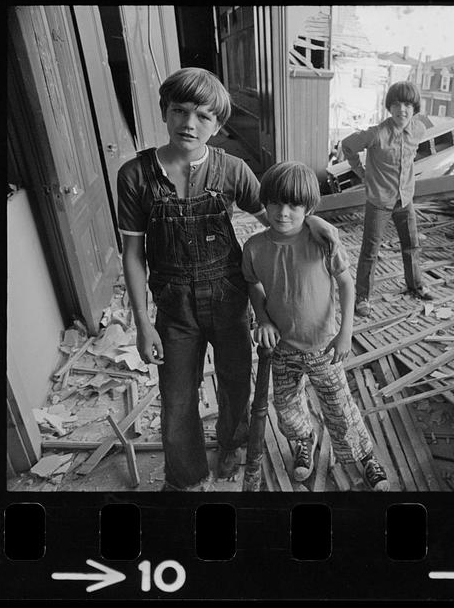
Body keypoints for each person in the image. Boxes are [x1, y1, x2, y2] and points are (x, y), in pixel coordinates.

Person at [117, 67, 339, 491]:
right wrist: (144, 325)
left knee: (236, 381)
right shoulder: (134, 176)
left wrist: (315, 224)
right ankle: (185, 476)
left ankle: (233, 444)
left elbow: (279, 218)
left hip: (229, 295)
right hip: (174, 305)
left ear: (217, 125)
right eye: (180, 111)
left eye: (203, 116)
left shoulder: (233, 170)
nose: (189, 123)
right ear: (164, 112)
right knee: (177, 395)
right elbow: (132, 254)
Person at [241, 161, 390, 491]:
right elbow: (253, 285)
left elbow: (347, 286)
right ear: (264, 202)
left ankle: (365, 456)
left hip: (324, 347)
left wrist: (345, 332)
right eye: (276, 203)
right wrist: (263, 319)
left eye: (294, 205)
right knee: (287, 406)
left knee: (340, 406)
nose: (283, 213)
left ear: (308, 207)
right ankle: (303, 442)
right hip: (282, 350)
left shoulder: (323, 242)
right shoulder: (254, 248)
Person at [341, 80, 433, 318]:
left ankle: (415, 285)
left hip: (405, 198)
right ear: (389, 107)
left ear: (415, 109)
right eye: (397, 104)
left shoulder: (419, 129)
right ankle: (362, 297)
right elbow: (348, 145)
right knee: (370, 250)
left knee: (411, 244)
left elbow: (412, 154)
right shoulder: (376, 134)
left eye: (408, 105)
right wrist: (361, 173)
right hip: (380, 201)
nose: (402, 109)